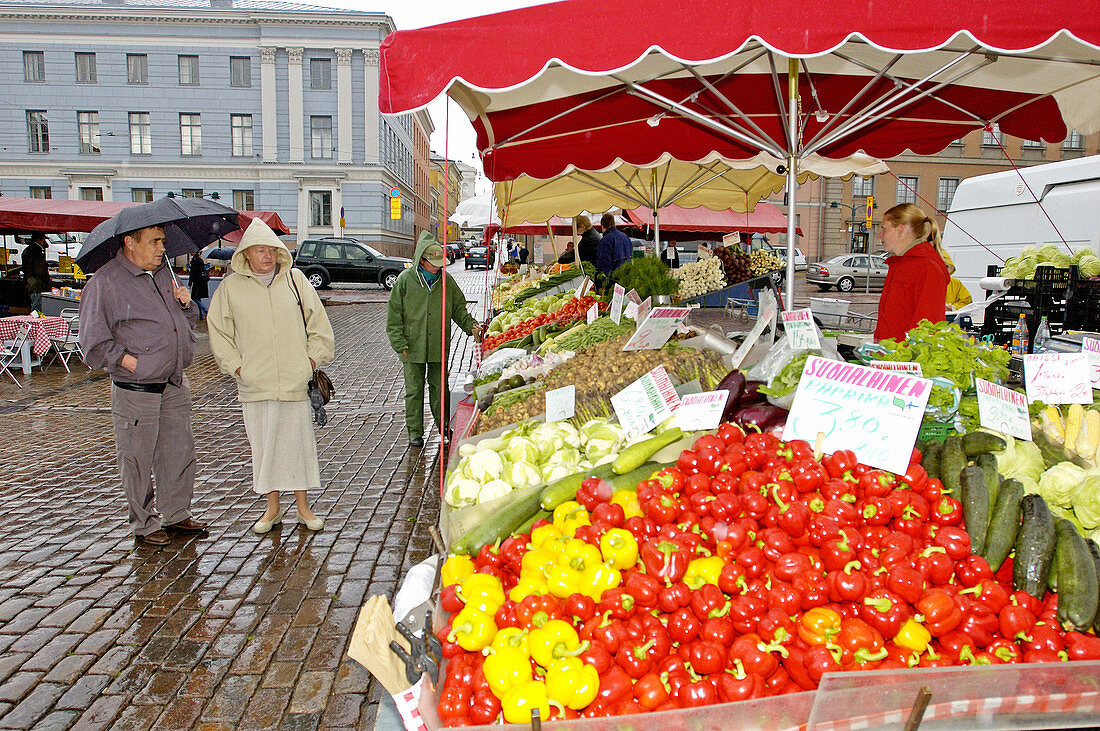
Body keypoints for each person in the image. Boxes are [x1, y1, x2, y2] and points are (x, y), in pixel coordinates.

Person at [79, 225, 207, 546]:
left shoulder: (164, 274)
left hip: (175, 383)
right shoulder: (105, 282)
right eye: (155, 241)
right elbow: (92, 341)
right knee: (136, 459)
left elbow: (187, 321)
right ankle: (144, 522)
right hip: (136, 390)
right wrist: (130, 362)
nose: (162, 248)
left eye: (163, 241)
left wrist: (185, 304)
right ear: (130, 242)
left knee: (178, 452)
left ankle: (177, 514)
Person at [206, 219, 335, 535]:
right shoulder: (231, 288)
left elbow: (318, 325)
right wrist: (237, 367)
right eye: (259, 250)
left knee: (298, 446)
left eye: (271, 249)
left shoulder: (296, 280)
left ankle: (304, 508)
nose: (266, 255)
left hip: (294, 381)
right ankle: (272, 508)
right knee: (265, 448)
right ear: (246, 254)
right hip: (256, 384)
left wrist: (309, 360)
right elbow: (219, 332)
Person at [387, 231, 481, 448]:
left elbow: (459, 310)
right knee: (414, 391)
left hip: (439, 345)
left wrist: (471, 327)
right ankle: (415, 431)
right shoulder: (405, 281)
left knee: (440, 389)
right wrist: (400, 344)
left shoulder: (446, 281)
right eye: (434, 263)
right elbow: (393, 317)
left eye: (441, 262)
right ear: (422, 260)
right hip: (412, 346)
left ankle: (444, 427)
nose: (439, 267)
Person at [874, 203, 950, 342]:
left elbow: (927, 325)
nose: (880, 235)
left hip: (904, 360)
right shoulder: (900, 263)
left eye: (884, 229)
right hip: (891, 356)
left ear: (900, 230)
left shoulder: (927, 267)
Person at [597, 212, 632, 285]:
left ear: (602, 225)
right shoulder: (625, 237)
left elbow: (604, 263)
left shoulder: (605, 240)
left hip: (613, 280)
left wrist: (603, 282)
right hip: (627, 277)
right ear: (614, 224)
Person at [22, 232, 51, 312]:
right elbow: (40, 269)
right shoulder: (36, 251)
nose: (44, 241)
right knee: (36, 306)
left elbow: (24, 268)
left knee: (34, 304)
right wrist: (47, 279)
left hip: (30, 283)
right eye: (43, 239)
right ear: (39, 240)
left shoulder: (27, 250)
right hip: (37, 284)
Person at [188, 250, 210, 318]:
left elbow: (193, 273)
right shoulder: (199, 260)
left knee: (194, 298)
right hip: (201, 282)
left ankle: (206, 312)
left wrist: (190, 283)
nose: (190, 252)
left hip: (197, 282)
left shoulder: (195, 260)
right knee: (198, 298)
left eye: (191, 251)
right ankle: (200, 315)